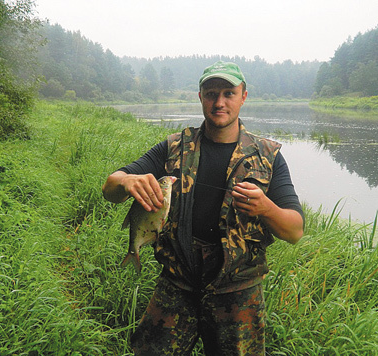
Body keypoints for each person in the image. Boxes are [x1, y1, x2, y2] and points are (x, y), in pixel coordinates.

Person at [102, 60, 304, 355]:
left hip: (238, 294)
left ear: (243, 96)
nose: (219, 102)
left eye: (228, 93)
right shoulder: (172, 148)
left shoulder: (268, 157)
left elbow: (295, 231)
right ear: (200, 96)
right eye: (211, 93)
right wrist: (127, 182)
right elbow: (110, 187)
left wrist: (266, 208)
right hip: (176, 285)